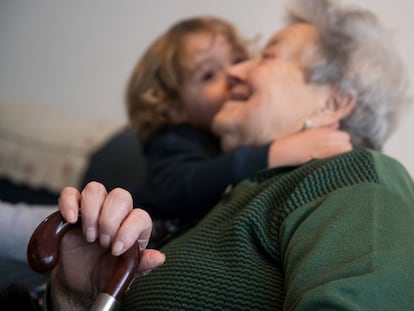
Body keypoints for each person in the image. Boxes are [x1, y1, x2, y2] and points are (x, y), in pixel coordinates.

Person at [37, 0, 414, 309]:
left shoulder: (353, 176)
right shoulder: (231, 192)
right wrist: (75, 297)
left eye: (267, 55)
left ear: (333, 102)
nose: (234, 70)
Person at [126, 16, 352, 244]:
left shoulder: (233, 136)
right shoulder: (172, 141)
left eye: (238, 59)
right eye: (209, 75)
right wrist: (273, 154)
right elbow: (187, 187)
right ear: (175, 107)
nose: (234, 73)